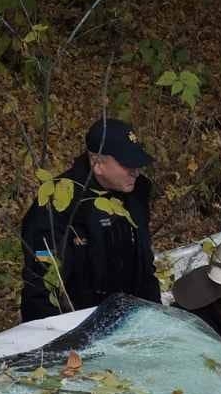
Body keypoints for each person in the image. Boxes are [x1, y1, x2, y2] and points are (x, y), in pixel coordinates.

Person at [19, 117, 159, 322]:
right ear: (97, 164)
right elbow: (43, 283)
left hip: (131, 318)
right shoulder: (57, 205)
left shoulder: (137, 192)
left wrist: (155, 314)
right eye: (127, 164)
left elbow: (145, 263)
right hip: (78, 324)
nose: (136, 172)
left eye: (138, 164)